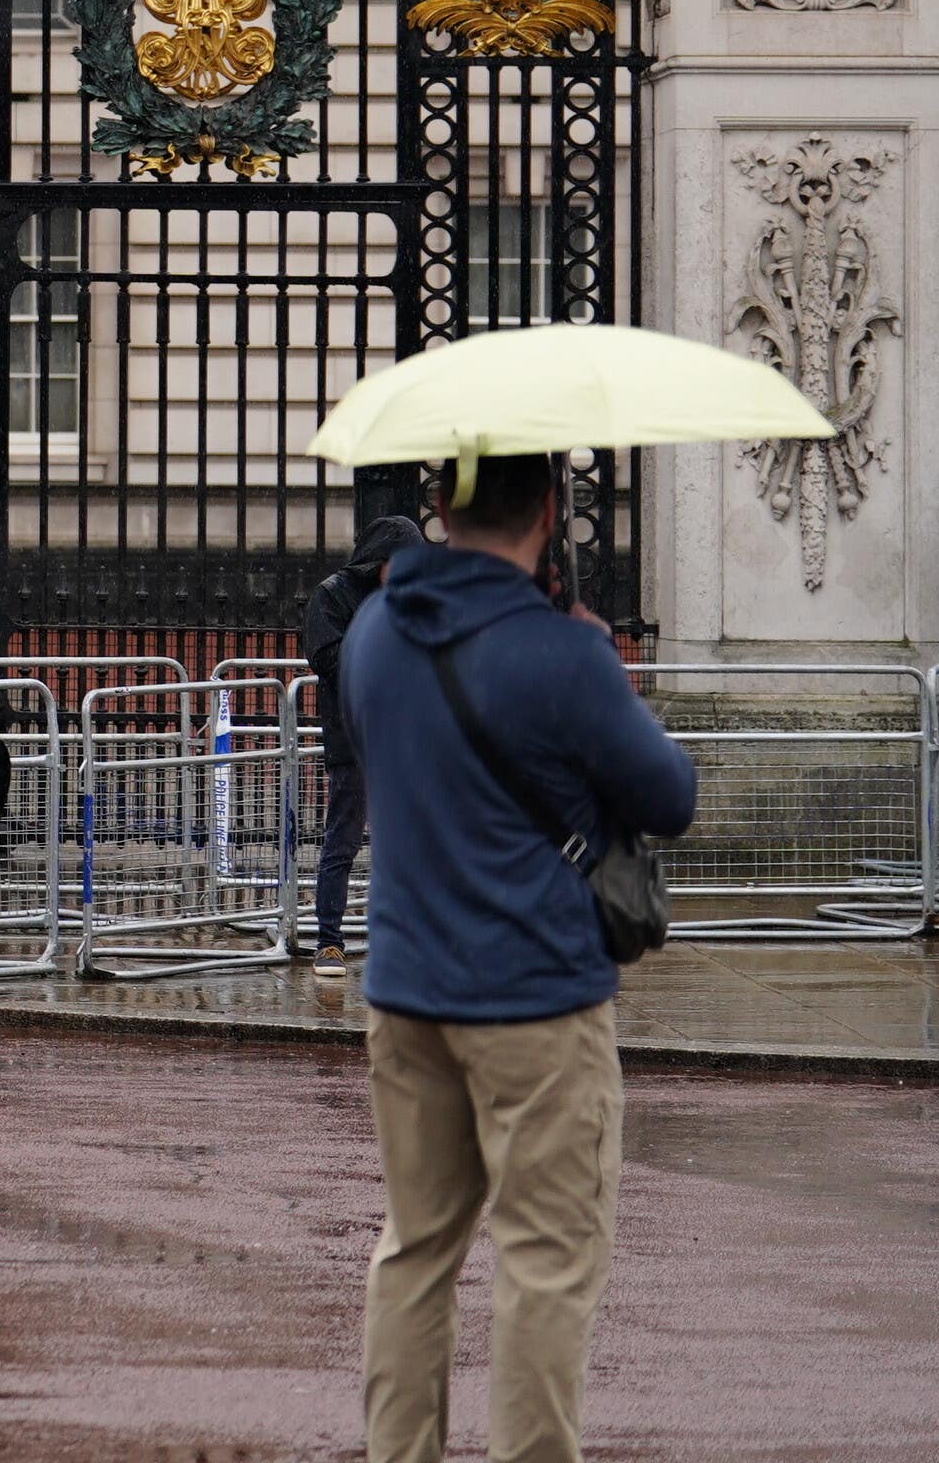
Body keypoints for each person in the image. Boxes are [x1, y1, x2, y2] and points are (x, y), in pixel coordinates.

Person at [340, 452, 696, 1463]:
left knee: (413, 1251)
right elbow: (669, 794)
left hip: (406, 989)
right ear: (550, 510)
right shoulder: (560, 653)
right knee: (544, 1263)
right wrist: (602, 674)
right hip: (536, 997)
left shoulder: (374, 632)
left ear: (442, 507)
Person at [304, 515, 421, 975]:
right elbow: (328, 658)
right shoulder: (332, 595)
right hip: (353, 737)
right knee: (344, 840)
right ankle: (328, 941)